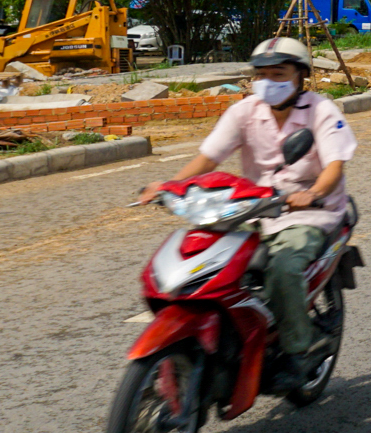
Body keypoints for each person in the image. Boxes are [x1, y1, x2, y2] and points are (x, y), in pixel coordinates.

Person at [141, 36, 356, 392]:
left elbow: (334, 165)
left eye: (279, 73)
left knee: (284, 268)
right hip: (254, 208)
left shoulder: (321, 110)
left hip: (309, 213)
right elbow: (209, 157)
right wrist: (167, 185)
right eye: (262, 74)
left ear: (300, 75)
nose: (268, 81)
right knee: (202, 261)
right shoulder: (244, 112)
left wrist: (313, 193)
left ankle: (298, 351)